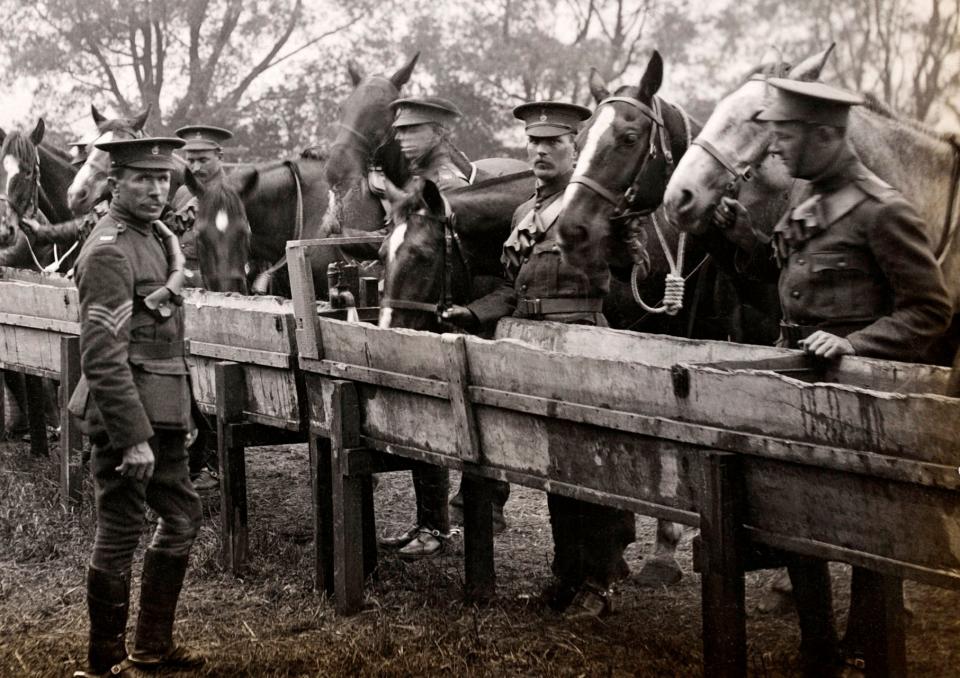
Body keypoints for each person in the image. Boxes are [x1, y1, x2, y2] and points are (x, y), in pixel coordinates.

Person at [713, 78, 951, 675]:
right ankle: (817, 645)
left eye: (785, 136)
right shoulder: (806, 201)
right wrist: (744, 240)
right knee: (795, 521)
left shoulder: (884, 209)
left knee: (869, 537)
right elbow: (788, 286)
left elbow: (930, 310)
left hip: (863, 398)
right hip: (800, 384)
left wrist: (854, 343)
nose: (776, 150)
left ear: (826, 135)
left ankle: (871, 647)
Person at [442, 101, 638, 620]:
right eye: (533, 143)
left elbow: (622, 265)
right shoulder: (522, 215)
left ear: (576, 150)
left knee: (592, 471)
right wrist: (473, 311)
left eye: (553, 143)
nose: (541, 151)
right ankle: (566, 574)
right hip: (532, 345)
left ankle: (601, 579)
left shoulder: (596, 210)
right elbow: (511, 288)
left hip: (582, 347)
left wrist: (620, 243)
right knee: (555, 470)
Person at [70, 136, 205, 678]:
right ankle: (101, 666)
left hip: (163, 416)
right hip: (127, 421)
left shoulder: (155, 237)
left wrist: (183, 418)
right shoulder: (109, 248)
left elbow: (163, 338)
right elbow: (102, 357)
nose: (155, 189)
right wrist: (132, 437)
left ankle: (150, 651)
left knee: (182, 516)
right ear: (115, 183)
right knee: (121, 528)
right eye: (141, 179)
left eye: (162, 179)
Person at [374, 96, 473, 560]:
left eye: (412, 130)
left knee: (434, 421)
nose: (401, 138)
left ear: (438, 132)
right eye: (398, 131)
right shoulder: (419, 180)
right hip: (422, 307)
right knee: (421, 417)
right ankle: (432, 523)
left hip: (445, 313)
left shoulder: (446, 182)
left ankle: (442, 524)